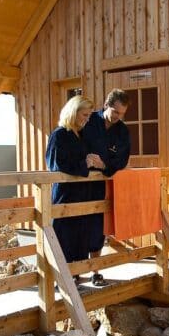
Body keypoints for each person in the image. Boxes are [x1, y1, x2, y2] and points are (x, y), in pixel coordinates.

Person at [45, 95, 105, 268]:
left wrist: (98, 162)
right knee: (65, 236)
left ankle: (77, 273)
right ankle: (62, 276)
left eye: (89, 115)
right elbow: (55, 164)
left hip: (84, 194)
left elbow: (89, 160)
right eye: (84, 115)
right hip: (66, 194)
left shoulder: (83, 135)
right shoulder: (59, 135)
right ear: (73, 112)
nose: (87, 119)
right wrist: (84, 163)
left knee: (81, 236)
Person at [81, 89, 131, 286]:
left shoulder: (122, 131)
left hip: (102, 183)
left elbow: (122, 159)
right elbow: (74, 145)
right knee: (77, 226)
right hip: (78, 182)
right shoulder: (88, 121)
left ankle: (95, 272)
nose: (118, 117)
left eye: (122, 113)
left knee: (96, 228)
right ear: (106, 105)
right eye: (116, 112)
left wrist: (104, 166)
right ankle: (74, 271)